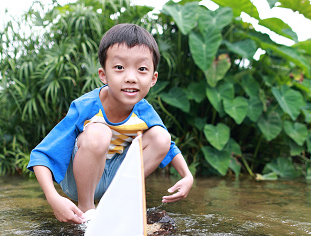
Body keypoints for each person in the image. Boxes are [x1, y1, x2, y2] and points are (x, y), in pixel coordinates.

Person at [27, 23, 193, 225]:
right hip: (80, 180)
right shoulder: (86, 106)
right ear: (103, 75)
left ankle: (112, 204)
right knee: (99, 133)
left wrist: (187, 175)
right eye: (120, 68)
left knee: (161, 136)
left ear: (153, 78)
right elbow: (41, 155)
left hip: (114, 179)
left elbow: (168, 146)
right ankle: (86, 211)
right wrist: (54, 199)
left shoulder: (144, 110)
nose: (131, 78)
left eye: (142, 69)